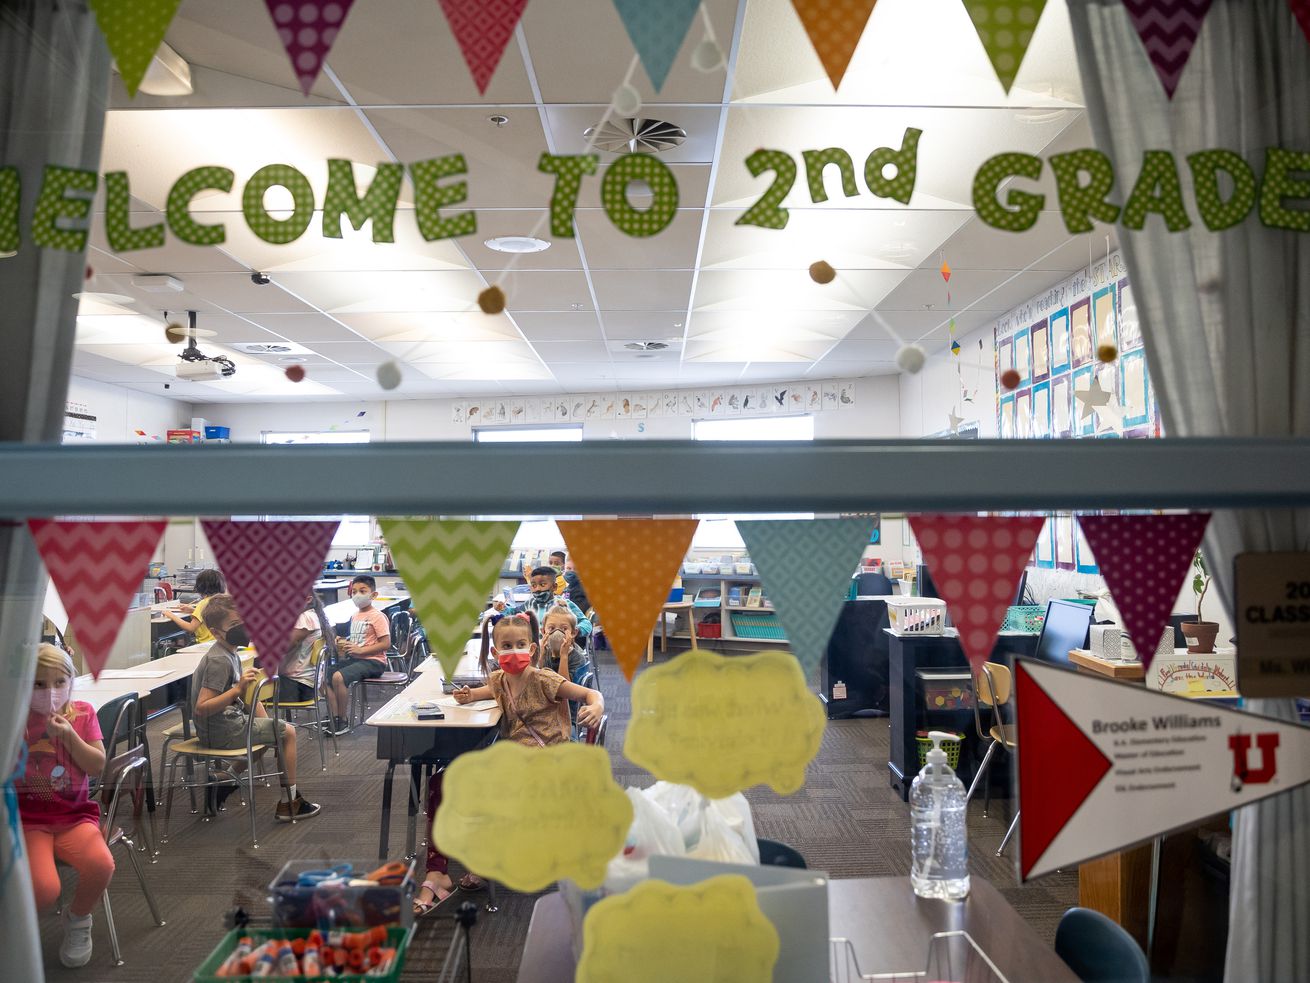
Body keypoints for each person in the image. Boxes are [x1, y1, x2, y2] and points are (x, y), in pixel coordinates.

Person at [411, 612, 604, 916]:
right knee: (440, 781)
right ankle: (437, 873)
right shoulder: (500, 680)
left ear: (531, 649)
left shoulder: (545, 679)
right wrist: (470, 694)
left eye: (520, 644)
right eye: (506, 645)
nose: (514, 651)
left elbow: (590, 694)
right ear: (495, 652)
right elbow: (492, 690)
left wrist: (597, 707)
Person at [18, 644, 113, 968]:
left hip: (74, 817)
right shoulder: (14, 717)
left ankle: (78, 920)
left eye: (59, 682)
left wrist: (70, 735)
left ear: (71, 681)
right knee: (43, 889)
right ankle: (17, 929)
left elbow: (98, 764)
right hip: (29, 819)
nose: (51, 692)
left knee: (101, 865)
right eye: (38, 684)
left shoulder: (83, 712)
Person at [189, 594, 320, 822]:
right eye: (233, 625)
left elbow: (249, 700)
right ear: (216, 632)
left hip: (224, 725)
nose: (242, 628)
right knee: (288, 733)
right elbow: (201, 708)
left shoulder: (229, 652)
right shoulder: (219, 660)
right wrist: (236, 691)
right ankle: (290, 803)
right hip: (221, 730)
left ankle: (225, 779)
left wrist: (268, 725)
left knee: (272, 736)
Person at [326, 576, 391, 735]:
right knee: (323, 676)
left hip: (374, 661)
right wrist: (342, 641)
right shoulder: (355, 615)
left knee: (338, 678)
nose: (357, 595)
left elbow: (386, 643)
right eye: (354, 592)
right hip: (356, 659)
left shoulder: (377, 616)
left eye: (362, 591)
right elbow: (359, 638)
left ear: (373, 595)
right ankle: (333, 717)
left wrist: (361, 651)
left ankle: (342, 720)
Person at [493, 566, 592, 639]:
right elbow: (513, 612)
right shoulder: (530, 604)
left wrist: (575, 631)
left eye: (543, 584)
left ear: (554, 587)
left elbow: (586, 623)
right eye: (533, 585)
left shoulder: (565, 604)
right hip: (535, 650)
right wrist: (504, 609)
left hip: (559, 650)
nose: (538, 589)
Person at [277, 594, 324, 703]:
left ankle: (258, 720)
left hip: (298, 686)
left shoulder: (305, 618)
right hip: (305, 684)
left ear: (308, 599)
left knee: (250, 692)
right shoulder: (312, 614)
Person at [163, 568, 225, 643]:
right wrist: (193, 610)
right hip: (219, 642)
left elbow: (190, 628)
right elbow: (209, 615)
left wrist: (172, 616)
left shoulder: (203, 603)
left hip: (205, 645)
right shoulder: (220, 600)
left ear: (200, 586)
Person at [540, 605, 589, 686]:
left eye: (564, 629)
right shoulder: (543, 653)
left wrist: (564, 656)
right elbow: (536, 681)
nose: (557, 632)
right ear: (543, 631)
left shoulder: (578, 658)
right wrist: (541, 655)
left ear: (573, 633)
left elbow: (565, 690)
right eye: (551, 628)